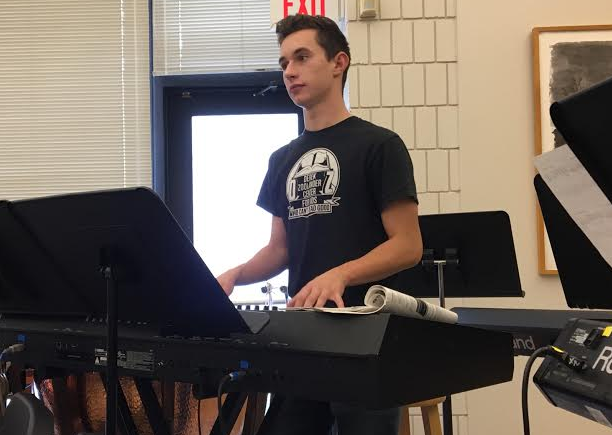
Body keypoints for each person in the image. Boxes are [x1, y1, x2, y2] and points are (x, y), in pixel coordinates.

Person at [216, 14, 422, 435]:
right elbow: (280, 250)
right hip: (305, 336)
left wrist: (340, 275)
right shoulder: (282, 158)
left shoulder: (380, 145)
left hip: (368, 336)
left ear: (338, 62)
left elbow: (407, 245)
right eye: (284, 62)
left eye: (302, 57)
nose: (290, 71)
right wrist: (235, 274)